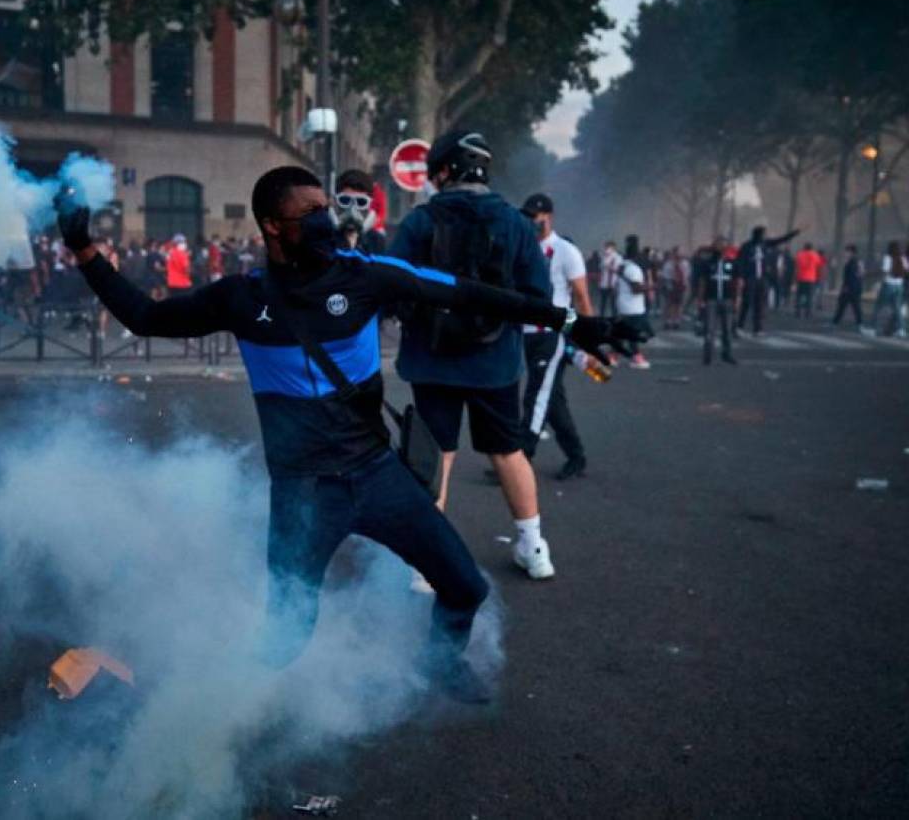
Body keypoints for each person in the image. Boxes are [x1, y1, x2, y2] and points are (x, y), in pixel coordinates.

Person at [57, 164, 639, 703]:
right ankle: (206, 706)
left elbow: (470, 293)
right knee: (285, 638)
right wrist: (86, 251)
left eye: (324, 207)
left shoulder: (367, 276)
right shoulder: (242, 298)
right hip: (303, 493)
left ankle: (440, 662)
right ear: (272, 226)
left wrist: (573, 323)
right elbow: (145, 316)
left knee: (465, 588)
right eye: (309, 212)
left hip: (378, 474)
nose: (325, 220)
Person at [389, 130, 556, 580]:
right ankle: (533, 547)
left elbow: (390, 286)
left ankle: (426, 566)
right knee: (507, 452)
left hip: (431, 359)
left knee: (437, 456)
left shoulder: (420, 222)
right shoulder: (516, 224)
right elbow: (539, 296)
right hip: (495, 363)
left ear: (444, 170)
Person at [518, 193, 594, 480]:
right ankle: (576, 456)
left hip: (551, 335)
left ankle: (522, 457)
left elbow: (582, 297)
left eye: (535, 217)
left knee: (536, 397)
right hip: (524, 332)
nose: (531, 222)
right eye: (527, 216)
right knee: (553, 402)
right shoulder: (524, 247)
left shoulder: (565, 252)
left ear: (549, 217)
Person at [737, 226, 799, 333]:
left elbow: (782, 239)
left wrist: (796, 232)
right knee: (746, 303)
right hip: (750, 278)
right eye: (763, 234)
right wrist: (741, 277)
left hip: (762, 279)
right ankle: (740, 326)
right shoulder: (746, 246)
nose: (765, 236)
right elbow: (740, 262)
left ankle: (758, 328)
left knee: (760, 304)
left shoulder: (765, 244)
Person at [694, 235, 739, 365]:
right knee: (709, 329)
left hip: (727, 299)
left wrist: (737, 299)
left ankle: (727, 354)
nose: (720, 247)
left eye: (723, 244)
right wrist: (700, 299)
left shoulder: (732, 263)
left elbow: (737, 283)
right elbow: (702, 282)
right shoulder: (707, 263)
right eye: (718, 244)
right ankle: (708, 355)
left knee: (727, 329)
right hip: (711, 300)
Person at [615, 236, 654, 369]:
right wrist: (650, 287)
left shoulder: (623, 266)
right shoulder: (634, 269)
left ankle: (612, 356)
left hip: (624, 305)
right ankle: (636, 358)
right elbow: (636, 289)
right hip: (634, 307)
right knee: (633, 334)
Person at [334, 168, 386, 255]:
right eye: (345, 200)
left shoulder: (377, 241)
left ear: (369, 204)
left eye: (361, 202)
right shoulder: (323, 239)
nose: (352, 209)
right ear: (336, 201)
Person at [870, 240, 907, 336]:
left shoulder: (888, 257)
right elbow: (906, 270)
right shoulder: (902, 258)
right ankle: (901, 329)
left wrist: (879, 282)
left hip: (888, 284)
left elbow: (885, 271)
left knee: (878, 306)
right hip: (899, 285)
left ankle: (873, 328)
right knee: (897, 308)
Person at [832, 244, 864, 329]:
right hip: (854, 288)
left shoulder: (852, 262)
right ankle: (859, 324)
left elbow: (851, 276)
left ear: (851, 252)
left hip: (850, 288)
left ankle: (859, 324)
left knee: (848, 306)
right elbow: (860, 274)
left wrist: (846, 287)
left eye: (847, 251)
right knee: (847, 306)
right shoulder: (857, 261)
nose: (845, 253)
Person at [660, 246, 691, 330]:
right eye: (677, 253)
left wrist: (685, 284)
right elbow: (665, 276)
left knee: (679, 304)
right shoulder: (668, 264)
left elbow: (687, 275)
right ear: (674, 254)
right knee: (669, 304)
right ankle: (668, 321)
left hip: (681, 285)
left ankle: (677, 321)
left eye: (680, 253)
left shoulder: (685, 263)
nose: (679, 255)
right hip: (671, 284)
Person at [793, 241, 825, 319]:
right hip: (811, 278)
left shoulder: (799, 254)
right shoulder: (815, 255)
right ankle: (808, 313)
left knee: (799, 296)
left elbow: (796, 265)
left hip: (800, 278)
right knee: (809, 297)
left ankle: (798, 312)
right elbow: (819, 265)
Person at [598, 240, 621, 316]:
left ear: (613, 248)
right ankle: (601, 318)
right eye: (606, 247)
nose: (606, 249)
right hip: (604, 283)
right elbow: (601, 268)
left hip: (613, 284)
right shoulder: (604, 257)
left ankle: (614, 319)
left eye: (608, 247)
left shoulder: (618, 257)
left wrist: (609, 267)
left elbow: (618, 270)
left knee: (613, 304)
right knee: (602, 303)